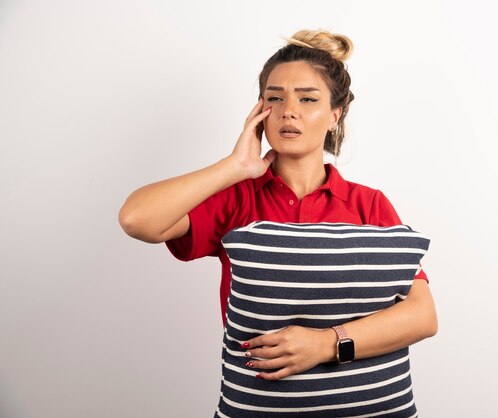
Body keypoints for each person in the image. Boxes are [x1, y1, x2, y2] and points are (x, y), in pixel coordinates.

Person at [119, 29, 437, 416]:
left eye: (308, 98)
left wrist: (324, 344)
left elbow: (423, 315)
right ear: (259, 111)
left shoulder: (367, 204)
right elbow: (137, 219)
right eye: (275, 98)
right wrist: (234, 166)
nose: (289, 109)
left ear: (335, 114)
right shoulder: (237, 197)